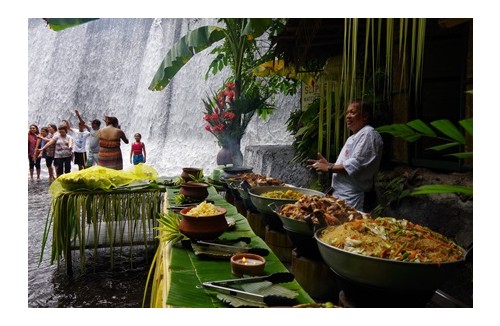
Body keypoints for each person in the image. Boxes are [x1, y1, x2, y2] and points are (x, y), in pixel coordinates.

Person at [307, 99, 383, 211]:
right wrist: (329, 164)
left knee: (350, 226)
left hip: (354, 197)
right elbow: (347, 164)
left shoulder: (368, 134)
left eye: (352, 112)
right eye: (347, 112)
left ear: (365, 116)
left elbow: (354, 166)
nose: (347, 116)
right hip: (343, 195)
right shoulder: (354, 136)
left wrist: (328, 167)